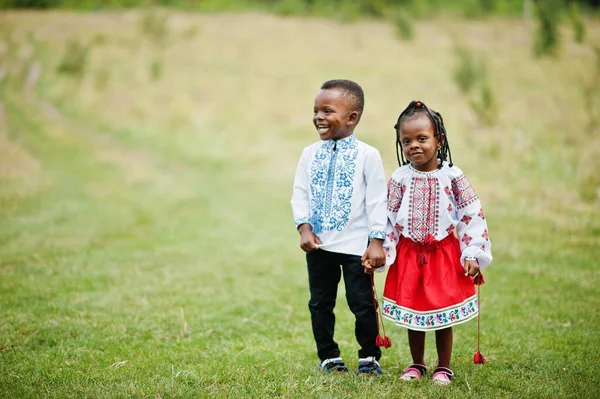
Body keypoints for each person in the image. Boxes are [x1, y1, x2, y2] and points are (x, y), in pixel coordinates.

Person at [365, 100, 492, 385]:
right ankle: (417, 363)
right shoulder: (399, 178)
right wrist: (380, 249)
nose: (414, 146)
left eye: (422, 138)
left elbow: (471, 214)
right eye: (406, 141)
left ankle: (443, 366)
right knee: (415, 311)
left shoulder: (453, 176)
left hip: (443, 254)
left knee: (442, 312)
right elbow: (387, 218)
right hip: (410, 255)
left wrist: (472, 252)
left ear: (439, 139)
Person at [291, 79, 388, 375]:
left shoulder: (367, 155)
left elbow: (376, 201)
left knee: (361, 303)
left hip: (357, 246)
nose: (319, 117)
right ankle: (328, 355)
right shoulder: (310, 154)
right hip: (319, 245)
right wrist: (304, 229)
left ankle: (369, 356)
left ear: (351, 117)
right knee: (320, 303)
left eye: (327, 111)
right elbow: (300, 193)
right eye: (316, 110)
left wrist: (376, 241)